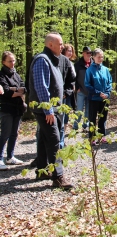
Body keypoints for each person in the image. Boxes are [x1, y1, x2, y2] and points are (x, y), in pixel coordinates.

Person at [29, 32, 73, 189]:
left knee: (43, 139)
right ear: (50, 45)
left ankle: (41, 171)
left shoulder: (54, 60)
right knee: (54, 140)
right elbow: (41, 87)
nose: (62, 46)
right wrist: (48, 111)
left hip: (52, 109)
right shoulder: (42, 60)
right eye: (60, 44)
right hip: (46, 110)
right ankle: (58, 176)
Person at [0, 52, 26, 170]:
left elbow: (24, 88)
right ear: (3, 62)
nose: (12, 63)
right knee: (5, 133)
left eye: (13, 60)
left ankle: (10, 156)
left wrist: (14, 90)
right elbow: (6, 92)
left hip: (18, 108)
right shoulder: (1, 75)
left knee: (14, 133)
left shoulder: (16, 74)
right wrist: (15, 91)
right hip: (6, 108)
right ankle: (0, 158)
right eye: (10, 61)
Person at [84, 48, 112, 145]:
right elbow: (87, 85)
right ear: (93, 57)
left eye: (102, 57)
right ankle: (92, 138)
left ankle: (102, 136)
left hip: (104, 98)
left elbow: (109, 82)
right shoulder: (89, 70)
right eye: (99, 57)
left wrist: (107, 93)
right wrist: (98, 93)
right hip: (94, 98)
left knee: (103, 118)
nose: (101, 58)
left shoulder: (106, 69)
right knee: (92, 118)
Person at [73, 46, 93, 131]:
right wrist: (77, 87)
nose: (89, 55)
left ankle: (85, 126)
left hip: (90, 91)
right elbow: (73, 77)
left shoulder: (93, 64)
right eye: (87, 53)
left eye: (90, 53)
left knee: (88, 110)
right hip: (80, 91)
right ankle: (75, 126)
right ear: (83, 53)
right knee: (79, 109)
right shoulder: (77, 65)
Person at [61, 44, 77, 129]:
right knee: (62, 114)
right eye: (68, 51)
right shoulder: (61, 62)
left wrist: (74, 86)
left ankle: (63, 139)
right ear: (64, 51)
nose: (70, 53)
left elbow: (73, 77)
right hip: (63, 92)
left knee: (67, 113)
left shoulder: (71, 63)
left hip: (70, 92)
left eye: (71, 51)